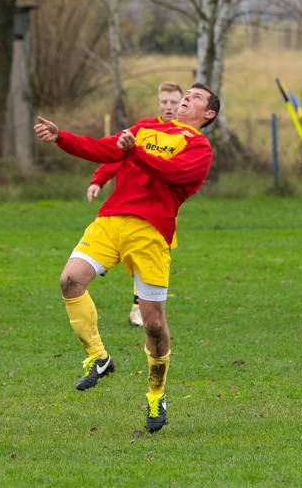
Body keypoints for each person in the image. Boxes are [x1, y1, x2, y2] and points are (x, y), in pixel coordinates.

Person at [35, 82, 219, 433]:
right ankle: (99, 358)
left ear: (208, 114)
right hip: (110, 221)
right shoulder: (144, 128)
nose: (186, 98)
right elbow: (103, 149)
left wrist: (134, 153)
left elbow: (173, 174)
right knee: (70, 280)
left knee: (152, 324)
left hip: (150, 232)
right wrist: (62, 137)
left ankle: (156, 394)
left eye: (197, 97)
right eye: (188, 93)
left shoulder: (199, 146)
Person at [86, 82, 183, 327]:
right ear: (159, 103)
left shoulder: (187, 135)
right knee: (131, 254)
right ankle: (138, 308)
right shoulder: (144, 128)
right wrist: (99, 179)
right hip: (131, 206)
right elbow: (116, 153)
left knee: (151, 260)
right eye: (165, 102)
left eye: (175, 102)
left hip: (160, 211)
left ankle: (140, 307)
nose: (169, 107)